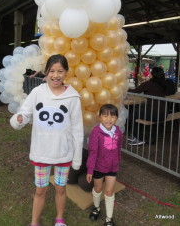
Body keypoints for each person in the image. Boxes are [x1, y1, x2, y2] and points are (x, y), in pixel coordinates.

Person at [10, 54, 84, 226]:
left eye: (60, 71)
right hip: (42, 152)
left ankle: (59, 219)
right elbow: (25, 112)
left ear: (66, 72)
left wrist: (77, 157)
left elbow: (77, 129)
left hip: (63, 153)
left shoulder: (73, 98)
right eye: (52, 71)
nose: (55, 75)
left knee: (60, 188)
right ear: (46, 72)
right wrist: (19, 118)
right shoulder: (37, 92)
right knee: (40, 190)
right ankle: (34, 222)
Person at [86, 104, 123, 226]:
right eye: (105, 116)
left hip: (112, 167)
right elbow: (92, 152)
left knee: (109, 191)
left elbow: (118, 148)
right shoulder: (96, 132)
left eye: (112, 116)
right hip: (98, 167)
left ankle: (109, 219)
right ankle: (96, 208)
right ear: (100, 117)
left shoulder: (117, 132)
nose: (109, 119)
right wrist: (90, 170)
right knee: (98, 189)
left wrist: (117, 160)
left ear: (116, 118)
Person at [127, 67, 176, 145]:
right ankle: (135, 135)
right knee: (137, 110)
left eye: (150, 72)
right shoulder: (163, 83)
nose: (149, 73)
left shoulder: (149, 84)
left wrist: (124, 88)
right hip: (164, 113)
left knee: (133, 114)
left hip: (155, 113)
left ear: (153, 75)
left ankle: (138, 138)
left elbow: (135, 91)